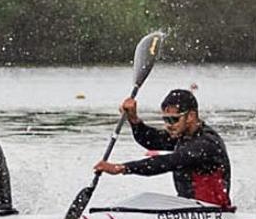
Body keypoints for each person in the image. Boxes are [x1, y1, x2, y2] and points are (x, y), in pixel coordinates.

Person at [93, 89, 231, 207]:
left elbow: (168, 162)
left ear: (190, 116)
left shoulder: (206, 143)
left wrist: (122, 168)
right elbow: (151, 140)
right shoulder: (184, 135)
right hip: (189, 208)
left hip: (212, 211)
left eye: (173, 119)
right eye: (165, 120)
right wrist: (134, 120)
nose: (168, 125)